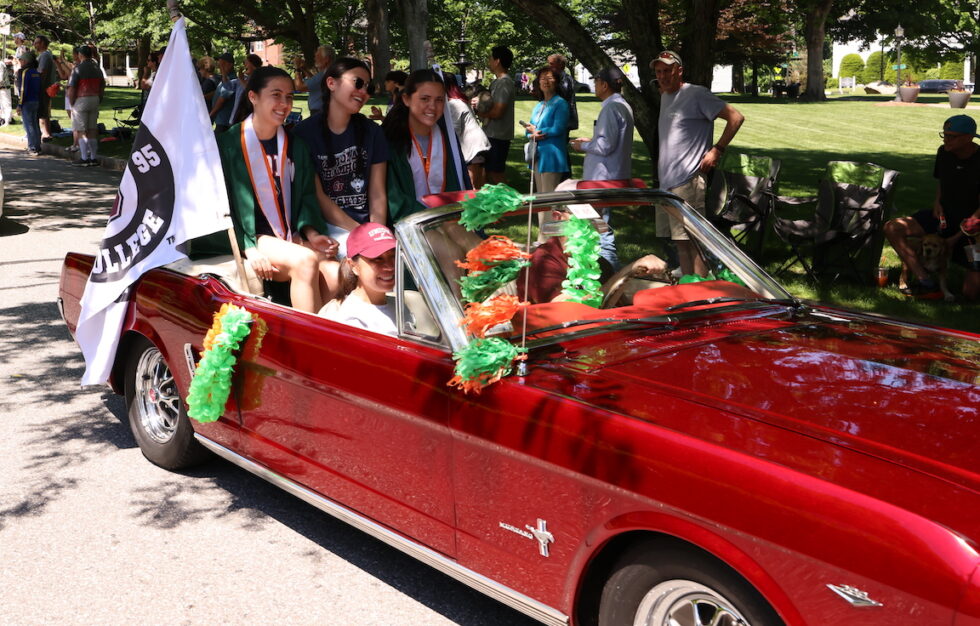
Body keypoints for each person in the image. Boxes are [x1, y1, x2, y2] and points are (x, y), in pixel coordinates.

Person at [200, 66, 340, 313]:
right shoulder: (227, 146)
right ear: (253, 96)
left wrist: (311, 233)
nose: (284, 103)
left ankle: (329, 343)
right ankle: (308, 343)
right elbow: (217, 204)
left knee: (334, 271)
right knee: (306, 261)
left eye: (289, 97)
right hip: (255, 236)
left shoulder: (295, 146)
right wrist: (249, 247)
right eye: (276, 95)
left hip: (288, 234)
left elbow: (307, 195)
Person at [651, 50, 744, 277]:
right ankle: (689, 285)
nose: (663, 76)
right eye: (659, 71)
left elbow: (736, 117)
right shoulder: (665, 95)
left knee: (694, 240)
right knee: (680, 241)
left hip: (688, 180)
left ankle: (701, 289)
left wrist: (717, 149)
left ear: (679, 70)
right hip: (667, 183)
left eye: (668, 70)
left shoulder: (696, 94)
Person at [293, 57, 388, 257]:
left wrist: (375, 232)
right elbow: (319, 197)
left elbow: (378, 194)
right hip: (325, 227)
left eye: (368, 88)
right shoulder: (304, 134)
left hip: (366, 225)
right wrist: (361, 233)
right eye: (358, 83)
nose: (363, 92)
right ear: (331, 83)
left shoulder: (373, 132)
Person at [884, 114, 980, 301]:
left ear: (969, 137)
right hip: (944, 217)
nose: (946, 140)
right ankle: (925, 279)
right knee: (892, 227)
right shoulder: (944, 153)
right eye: (944, 134)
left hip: (973, 226)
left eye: (952, 136)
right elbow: (942, 182)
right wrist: (937, 203)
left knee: (971, 293)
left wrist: (956, 236)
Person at [383, 69, 472, 222]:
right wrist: (433, 219)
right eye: (425, 99)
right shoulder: (389, 140)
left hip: (448, 221)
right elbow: (394, 200)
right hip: (407, 225)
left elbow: (457, 187)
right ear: (406, 99)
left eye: (439, 100)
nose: (433, 106)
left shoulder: (448, 140)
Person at [570, 67, 634, 268]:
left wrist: (582, 145)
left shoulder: (611, 108)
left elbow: (605, 146)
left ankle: (613, 277)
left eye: (596, 82)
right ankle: (607, 276)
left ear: (605, 85)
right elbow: (611, 141)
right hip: (610, 175)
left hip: (603, 179)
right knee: (600, 229)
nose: (594, 86)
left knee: (601, 233)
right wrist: (593, 140)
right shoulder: (621, 105)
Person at [320, 222, 398, 336]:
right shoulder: (350, 320)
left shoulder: (402, 305)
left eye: (393, 256)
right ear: (353, 266)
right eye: (377, 259)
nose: (389, 266)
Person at [525, 66, 570, 238]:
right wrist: (530, 132)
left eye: (550, 77)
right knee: (539, 198)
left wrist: (539, 132)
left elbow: (558, 128)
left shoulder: (561, 103)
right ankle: (542, 238)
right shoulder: (539, 105)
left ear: (557, 82)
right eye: (542, 77)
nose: (545, 80)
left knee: (551, 199)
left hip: (552, 156)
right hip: (537, 155)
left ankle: (550, 240)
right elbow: (529, 128)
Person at [472, 45, 515, 185]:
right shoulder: (498, 82)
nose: (489, 61)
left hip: (498, 136)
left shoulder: (504, 83)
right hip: (492, 135)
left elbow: (497, 112)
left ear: (497, 61)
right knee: (488, 172)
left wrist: (478, 111)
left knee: (496, 174)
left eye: (490, 58)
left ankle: (512, 204)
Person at [443, 72, 490, 190]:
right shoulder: (458, 101)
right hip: (476, 147)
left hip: (473, 148)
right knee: (478, 187)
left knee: (472, 189)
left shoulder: (454, 104)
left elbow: (454, 131)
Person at [67, 45, 105, 167]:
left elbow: (72, 88)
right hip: (95, 99)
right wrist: (99, 98)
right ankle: (93, 157)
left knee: (81, 130)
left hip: (81, 99)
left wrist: (72, 102)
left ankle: (84, 158)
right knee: (92, 129)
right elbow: (102, 86)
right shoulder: (97, 68)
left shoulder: (78, 69)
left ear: (81, 55)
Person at [292, 45, 335, 117]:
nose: (315, 58)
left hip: (319, 113)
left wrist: (297, 68)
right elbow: (315, 83)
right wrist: (304, 69)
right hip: (326, 112)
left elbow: (300, 87)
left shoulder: (324, 75)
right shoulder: (331, 73)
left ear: (326, 59)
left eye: (317, 56)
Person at [17, 51, 41, 155]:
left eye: (21, 60)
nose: (20, 62)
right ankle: (37, 146)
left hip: (27, 101)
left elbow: (23, 90)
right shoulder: (35, 72)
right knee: (35, 124)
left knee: (29, 125)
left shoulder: (24, 72)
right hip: (36, 100)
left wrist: (19, 104)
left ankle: (32, 147)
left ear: (26, 61)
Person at [33, 35, 56, 141]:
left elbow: (42, 72)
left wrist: (36, 83)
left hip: (43, 87)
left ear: (42, 43)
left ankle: (46, 134)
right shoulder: (46, 54)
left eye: (36, 42)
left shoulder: (45, 55)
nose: (34, 44)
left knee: (43, 111)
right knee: (43, 110)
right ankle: (45, 133)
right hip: (45, 87)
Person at [548, 53, 578, 133]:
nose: (549, 66)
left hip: (562, 117)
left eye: (551, 64)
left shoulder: (565, 79)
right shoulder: (557, 77)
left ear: (560, 65)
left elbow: (562, 94)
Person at [210, 53, 238, 133]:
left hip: (224, 122)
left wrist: (210, 115)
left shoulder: (232, 80)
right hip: (220, 120)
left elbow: (222, 100)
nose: (219, 66)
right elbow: (218, 92)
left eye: (222, 64)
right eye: (219, 63)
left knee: (219, 143)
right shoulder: (225, 78)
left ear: (230, 65)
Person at [231, 54, 262, 122]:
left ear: (252, 63)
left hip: (248, 117)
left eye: (245, 63)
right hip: (237, 115)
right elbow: (227, 86)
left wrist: (242, 79)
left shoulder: (260, 78)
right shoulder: (243, 78)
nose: (244, 65)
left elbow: (252, 92)